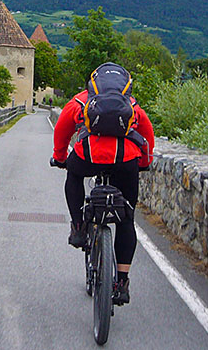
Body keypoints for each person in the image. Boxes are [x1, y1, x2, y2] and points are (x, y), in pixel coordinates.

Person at [50, 62, 154, 305]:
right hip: (126, 161)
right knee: (127, 219)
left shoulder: (81, 101)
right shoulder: (131, 104)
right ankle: (122, 281)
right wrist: (144, 162)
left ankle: (77, 226)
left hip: (88, 157)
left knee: (74, 176)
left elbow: (62, 131)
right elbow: (147, 135)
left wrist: (59, 157)